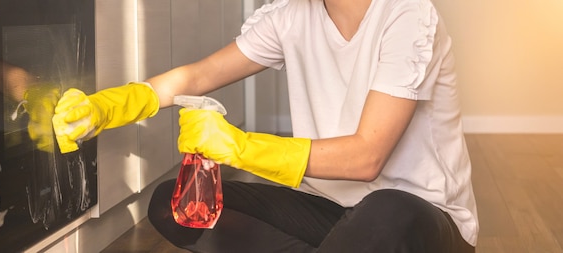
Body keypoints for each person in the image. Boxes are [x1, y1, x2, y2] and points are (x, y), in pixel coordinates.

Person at [52, 0, 479, 251]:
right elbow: (197, 77)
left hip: (420, 219)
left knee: (388, 208)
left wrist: (238, 146)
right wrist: (107, 107)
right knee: (175, 203)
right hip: (332, 212)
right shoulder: (292, 15)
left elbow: (367, 157)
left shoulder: (407, 14)